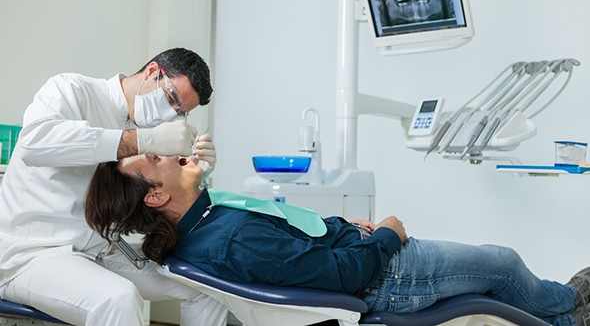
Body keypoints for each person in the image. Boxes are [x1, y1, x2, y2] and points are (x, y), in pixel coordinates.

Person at [85, 153, 590, 326]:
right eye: (155, 160)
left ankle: (556, 305)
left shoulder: (207, 221)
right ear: (153, 198)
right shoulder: (231, 240)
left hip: (363, 250)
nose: (170, 154)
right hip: (389, 277)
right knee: (502, 263)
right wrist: (387, 235)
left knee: (497, 273)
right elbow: (344, 275)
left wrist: (347, 229)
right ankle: (569, 309)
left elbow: (296, 241)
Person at [0, 48, 229, 326]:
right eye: (171, 99)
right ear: (152, 72)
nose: (171, 114)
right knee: (118, 299)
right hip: (32, 256)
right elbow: (34, 143)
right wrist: (144, 141)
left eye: (180, 113)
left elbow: (152, 206)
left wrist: (193, 176)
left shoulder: (143, 130)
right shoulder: (73, 90)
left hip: (99, 252)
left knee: (207, 288)